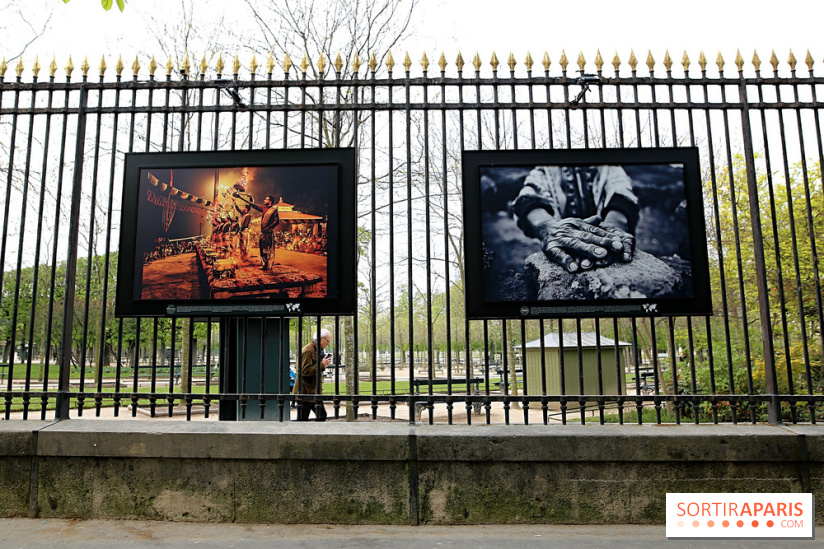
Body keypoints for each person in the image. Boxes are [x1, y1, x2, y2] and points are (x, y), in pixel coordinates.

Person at [510, 165, 639, 273]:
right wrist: (547, 226)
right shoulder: (547, 169)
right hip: (564, 244)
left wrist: (613, 226)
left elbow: (621, 191)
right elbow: (527, 197)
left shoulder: (608, 166)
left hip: (605, 238)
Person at [292, 328, 333, 421]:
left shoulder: (314, 349)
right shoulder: (309, 350)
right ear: (320, 338)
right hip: (306, 391)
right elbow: (304, 371)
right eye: (327, 340)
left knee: (319, 415)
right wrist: (322, 365)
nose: (328, 343)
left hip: (311, 391)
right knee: (306, 418)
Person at [236, 193, 280, 270]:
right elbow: (253, 205)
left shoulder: (273, 210)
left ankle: (268, 264)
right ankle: (265, 264)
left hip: (268, 232)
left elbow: (277, 221)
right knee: (262, 249)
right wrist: (246, 197)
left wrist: (268, 228)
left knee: (268, 249)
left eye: (266, 199)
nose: (264, 200)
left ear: (270, 201)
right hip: (263, 232)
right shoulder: (263, 209)